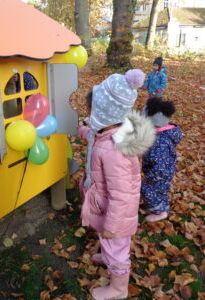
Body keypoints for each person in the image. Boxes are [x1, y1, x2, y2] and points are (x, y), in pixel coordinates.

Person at [78, 70, 155, 300]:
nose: (90, 115)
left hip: (116, 214)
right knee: (108, 239)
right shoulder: (109, 130)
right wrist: (82, 130)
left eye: (93, 110)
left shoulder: (114, 151)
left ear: (103, 111)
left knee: (117, 248)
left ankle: (119, 288)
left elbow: (122, 195)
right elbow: (92, 135)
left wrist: (113, 225)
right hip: (105, 207)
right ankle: (107, 250)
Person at [141, 97, 182, 222]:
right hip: (160, 172)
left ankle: (160, 212)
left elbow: (160, 163)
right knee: (159, 192)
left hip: (158, 174)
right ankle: (156, 206)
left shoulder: (160, 142)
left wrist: (153, 176)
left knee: (147, 190)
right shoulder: (160, 135)